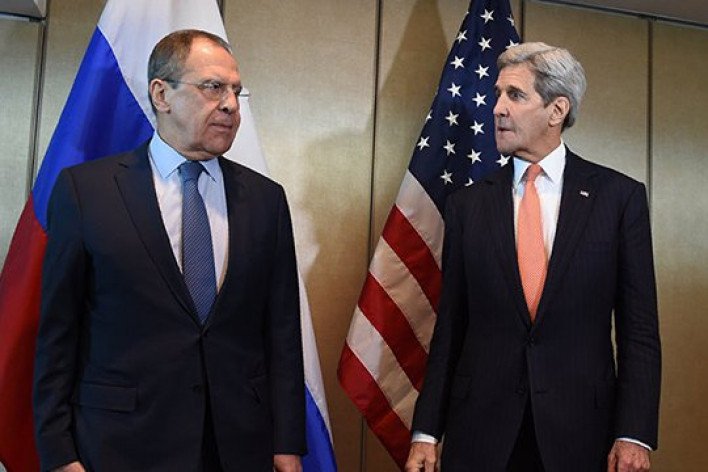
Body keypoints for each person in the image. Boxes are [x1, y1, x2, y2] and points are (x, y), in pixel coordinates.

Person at [33, 29, 305, 472]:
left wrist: (287, 443)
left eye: (236, 91)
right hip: (121, 447)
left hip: (238, 447)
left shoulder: (266, 200)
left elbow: (282, 333)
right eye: (213, 87)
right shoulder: (86, 192)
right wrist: (59, 453)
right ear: (162, 94)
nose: (231, 105)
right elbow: (57, 334)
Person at [405, 42, 661, 472]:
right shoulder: (467, 205)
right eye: (498, 94)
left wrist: (633, 434)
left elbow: (640, 331)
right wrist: (426, 432)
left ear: (557, 110)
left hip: (581, 435)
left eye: (515, 95)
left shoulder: (619, 199)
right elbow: (450, 328)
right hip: (480, 433)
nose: (497, 108)